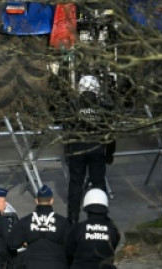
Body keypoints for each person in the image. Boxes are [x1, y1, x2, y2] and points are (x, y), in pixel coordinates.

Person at [64, 75, 110, 225]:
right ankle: (99, 216)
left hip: (77, 147)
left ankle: (73, 217)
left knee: (76, 182)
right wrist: (110, 152)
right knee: (98, 182)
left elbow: (66, 129)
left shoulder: (72, 106)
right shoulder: (103, 106)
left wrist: (67, 150)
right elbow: (110, 131)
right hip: (97, 146)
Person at [9, 184, 70, 269]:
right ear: (52, 201)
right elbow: (71, 246)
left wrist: (25, 242)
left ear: (37, 201)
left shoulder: (25, 221)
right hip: (57, 264)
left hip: (33, 265)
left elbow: (13, 243)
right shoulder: (63, 222)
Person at [66, 188, 121, 269]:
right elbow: (112, 249)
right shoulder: (113, 229)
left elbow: (69, 252)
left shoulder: (78, 228)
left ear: (87, 208)